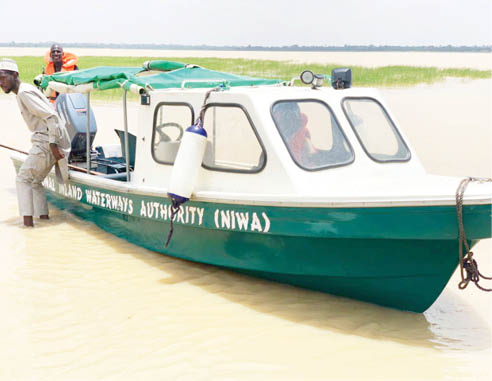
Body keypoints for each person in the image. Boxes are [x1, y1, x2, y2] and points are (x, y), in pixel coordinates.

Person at [0, 58, 71, 227]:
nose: (0, 83)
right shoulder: (24, 91)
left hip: (47, 142)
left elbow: (51, 116)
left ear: (15, 75)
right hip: (46, 140)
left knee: (22, 179)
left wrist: (53, 146)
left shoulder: (24, 92)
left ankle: (27, 226)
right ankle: (43, 219)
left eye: (3, 78)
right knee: (35, 182)